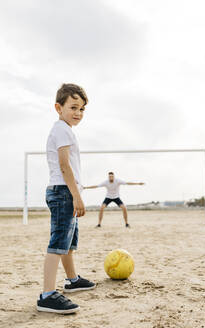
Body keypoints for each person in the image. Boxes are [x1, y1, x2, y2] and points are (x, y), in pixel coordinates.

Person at [37, 83, 95, 314]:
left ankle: (72, 280)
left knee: (68, 243)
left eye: (82, 109)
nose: (78, 113)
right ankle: (47, 294)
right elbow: (64, 165)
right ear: (58, 107)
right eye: (73, 107)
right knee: (58, 242)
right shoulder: (61, 128)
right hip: (63, 192)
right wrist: (76, 196)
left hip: (66, 191)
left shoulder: (66, 129)